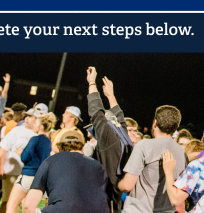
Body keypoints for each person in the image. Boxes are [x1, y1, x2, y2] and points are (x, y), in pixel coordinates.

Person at [118, 105, 187, 213]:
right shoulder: (182, 152)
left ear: (155, 123)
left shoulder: (144, 145)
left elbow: (127, 186)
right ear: (175, 127)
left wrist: (115, 184)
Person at [22, 130, 110, 213]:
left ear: (60, 147)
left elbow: (28, 206)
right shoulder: (97, 165)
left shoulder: (51, 161)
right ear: (83, 148)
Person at [86, 67, 134, 213]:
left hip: (103, 197)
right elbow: (120, 117)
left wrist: (91, 83)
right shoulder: (123, 136)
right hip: (116, 196)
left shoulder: (108, 138)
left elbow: (96, 111)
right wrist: (110, 95)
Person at [5, 112, 57, 213]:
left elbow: (24, 157)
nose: (35, 125)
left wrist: (20, 153)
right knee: (28, 208)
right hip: (40, 178)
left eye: (36, 123)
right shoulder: (48, 142)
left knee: (11, 205)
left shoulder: (35, 139)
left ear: (41, 127)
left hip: (28, 175)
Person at [0, 107, 38, 213]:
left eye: (30, 117)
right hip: (11, 171)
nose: (27, 119)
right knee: (7, 201)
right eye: (26, 116)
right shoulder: (17, 130)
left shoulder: (38, 135)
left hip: (28, 174)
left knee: (25, 204)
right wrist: (1, 167)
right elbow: (3, 149)